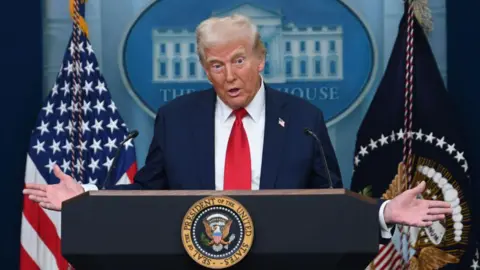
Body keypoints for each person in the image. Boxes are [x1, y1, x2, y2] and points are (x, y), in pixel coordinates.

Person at [24, 14, 451, 238]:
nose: (229, 75)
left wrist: (382, 212)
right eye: (217, 65)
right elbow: (147, 190)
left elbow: (329, 200)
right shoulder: (177, 119)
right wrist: (88, 198)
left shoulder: (303, 119)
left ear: (261, 59)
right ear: (205, 71)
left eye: (239, 61)